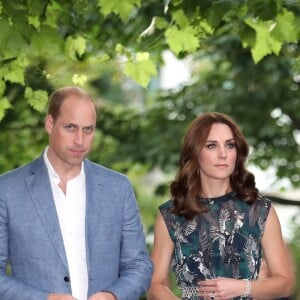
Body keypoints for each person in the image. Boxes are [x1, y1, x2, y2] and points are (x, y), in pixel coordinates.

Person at [0, 86, 153, 300]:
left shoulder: (118, 188)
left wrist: (112, 296)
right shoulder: (7, 190)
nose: (80, 140)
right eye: (70, 127)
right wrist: (46, 299)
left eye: (88, 130)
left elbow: (139, 265)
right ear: (50, 124)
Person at [148, 112, 294, 300]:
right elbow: (155, 284)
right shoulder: (172, 214)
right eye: (211, 146)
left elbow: (285, 283)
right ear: (195, 152)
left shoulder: (259, 210)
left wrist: (243, 287)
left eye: (229, 145)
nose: (223, 154)